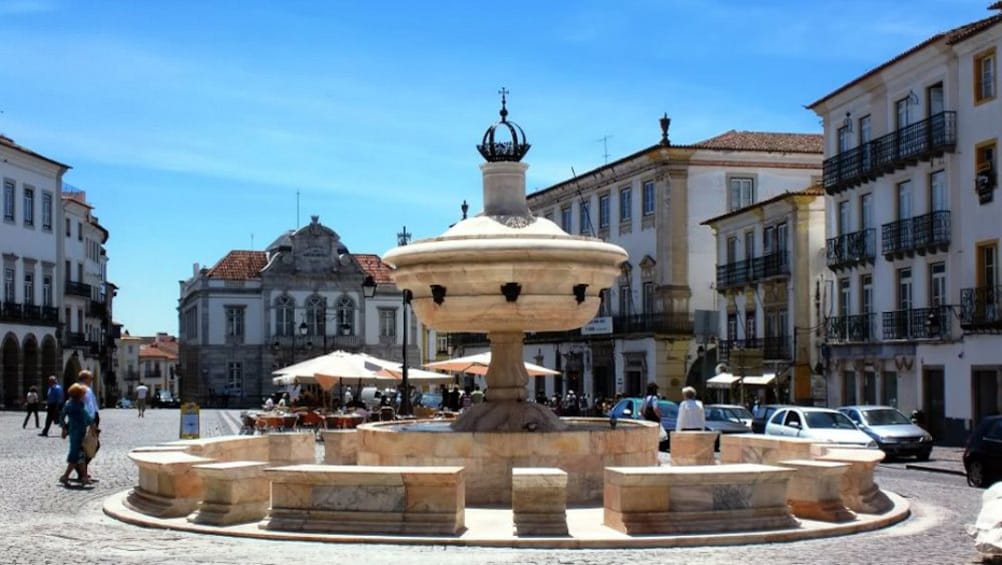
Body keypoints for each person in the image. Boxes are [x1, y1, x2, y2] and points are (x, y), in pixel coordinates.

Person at [58, 383, 94, 485]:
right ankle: (65, 476)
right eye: (83, 394)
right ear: (79, 395)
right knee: (75, 455)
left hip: (73, 431)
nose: (84, 396)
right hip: (78, 433)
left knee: (80, 455)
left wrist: (64, 428)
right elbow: (86, 418)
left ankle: (84, 477)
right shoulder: (78, 406)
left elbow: (61, 417)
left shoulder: (68, 404)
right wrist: (92, 424)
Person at [77, 370, 100, 483]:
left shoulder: (88, 389)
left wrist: (96, 418)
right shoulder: (80, 389)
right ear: (85, 378)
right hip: (85, 421)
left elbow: (93, 405)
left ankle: (82, 471)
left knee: (92, 445)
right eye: (90, 378)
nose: (92, 380)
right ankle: (82, 472)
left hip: (91, 420)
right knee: (87, 446)